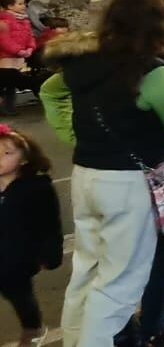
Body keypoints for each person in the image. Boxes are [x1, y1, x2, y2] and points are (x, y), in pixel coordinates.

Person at [38, 0, 164, 347]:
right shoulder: (151, 71)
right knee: (119, 284)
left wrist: (75, 133)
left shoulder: (83, 62)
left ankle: (73, 340)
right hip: (129, 184)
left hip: (87, 175)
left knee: (87, 271)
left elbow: (50, 93)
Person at [0, 122, 61, 346]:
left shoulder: (37, 188)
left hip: (17, 258)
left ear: (24, 159)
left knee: (19, 295)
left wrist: (49, 255)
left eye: (7, 153)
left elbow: (50, 225)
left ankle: (33, 328)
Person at [0, 0, 35, 116]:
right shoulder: (4, 22)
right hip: (5, 57)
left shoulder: (25, 21)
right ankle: (5, 107)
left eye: (23, 3)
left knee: (11, 84)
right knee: (6, 81)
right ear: (10, 6)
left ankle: (9, 108)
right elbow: (4, 41)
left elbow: (30, 37)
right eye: (20, 4)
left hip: (19, 57)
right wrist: (18, 50)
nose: (23, 6)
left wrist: (30, 48)